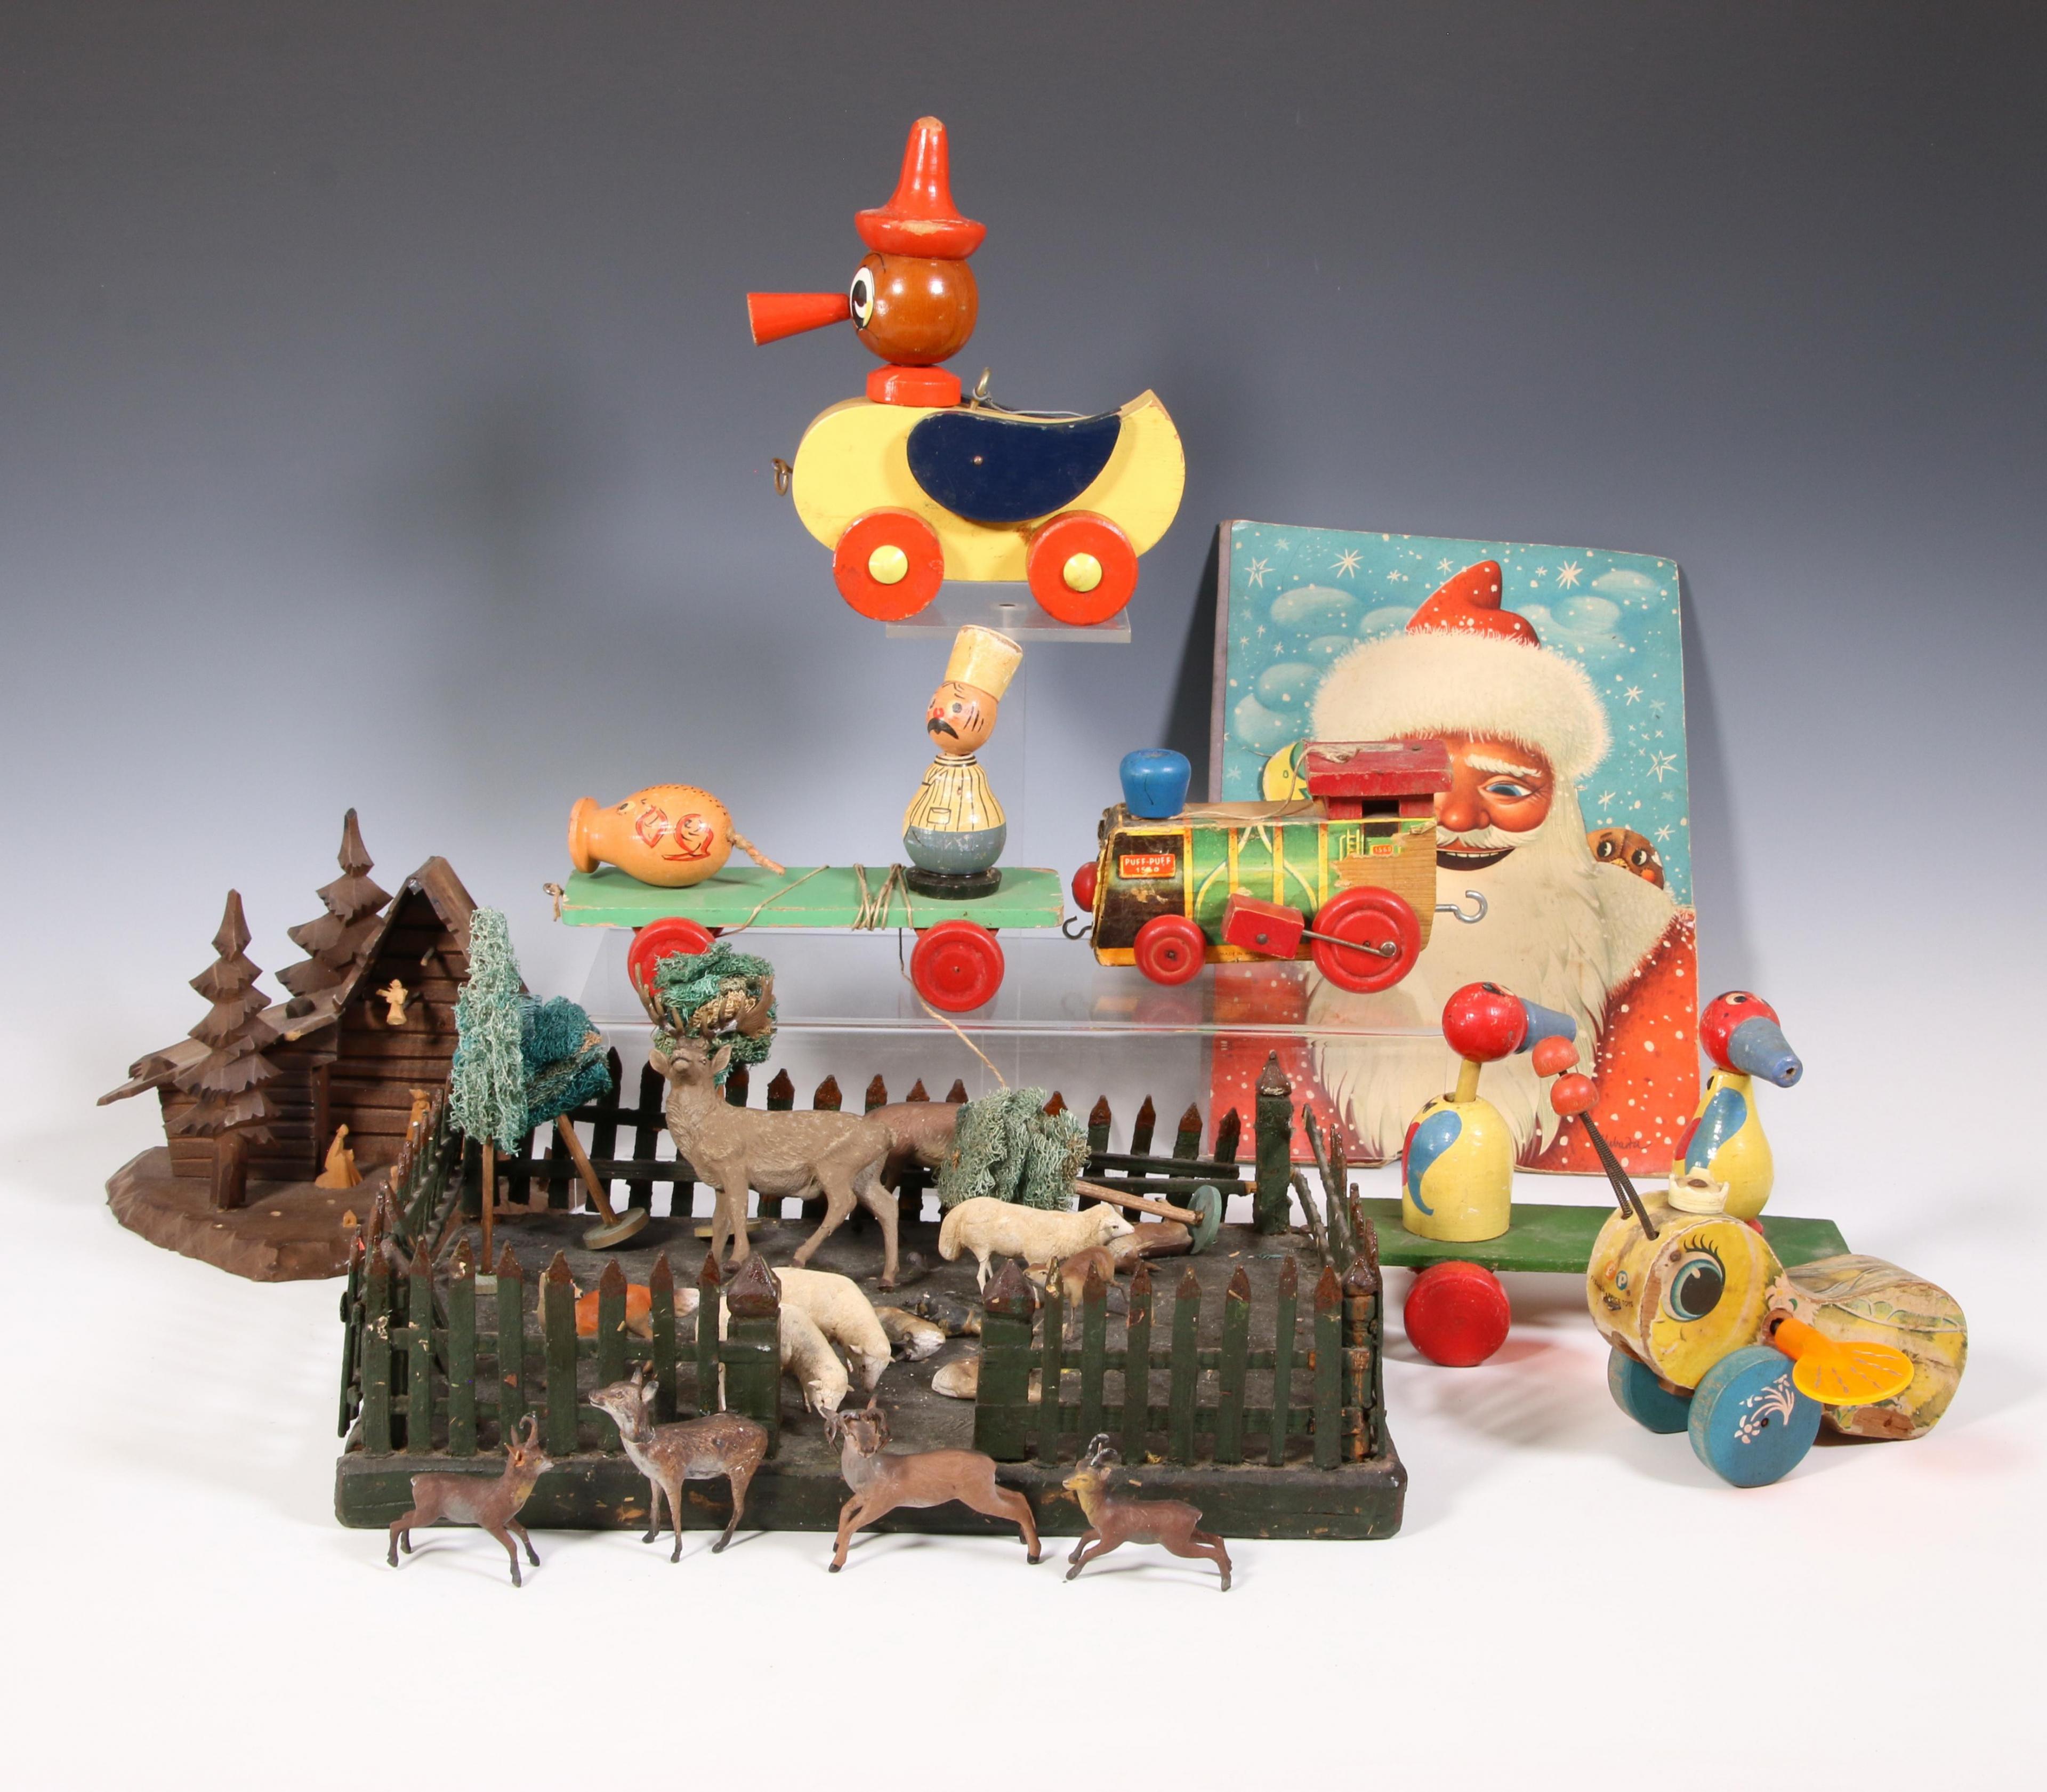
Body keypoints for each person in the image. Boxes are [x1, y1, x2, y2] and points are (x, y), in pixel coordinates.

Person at [1302, 560, 1695, 1169]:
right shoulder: (1281, 957)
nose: (1459, 820)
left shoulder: (1660, 955)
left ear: (1559, 800)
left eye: (1508, 789)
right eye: (1424, 789)